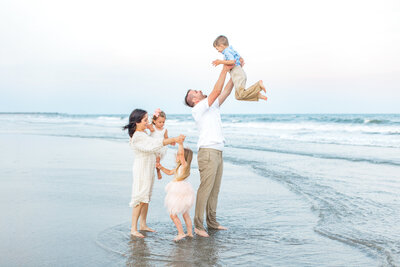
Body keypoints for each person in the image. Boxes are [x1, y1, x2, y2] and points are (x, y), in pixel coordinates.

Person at [183, 64, 234, 237]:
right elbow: (217, 89)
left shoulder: (211, 106)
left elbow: (225, 91)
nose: (199, 90)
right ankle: (198, 225)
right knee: (206, 188)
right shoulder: (199, 108)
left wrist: (235, 71)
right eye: (196, 91)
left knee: (215, 189)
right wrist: (225, 69)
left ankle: (212, 222)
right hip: (208, 152)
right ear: (194, 100)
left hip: (218, 151)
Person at [123, 109, 185, 238]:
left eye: (147, 120)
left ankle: (143, 224)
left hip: (148, 166)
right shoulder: (138, 136)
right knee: (140, 197)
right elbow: (154, 144)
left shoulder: (143, 133)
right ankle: (133, 228)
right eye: (145, 120)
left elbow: (155, 141)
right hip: (142, 168)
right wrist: (173, 139)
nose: (147, 122)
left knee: (146, 197)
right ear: (137, 122)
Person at [156, 142, 195, 242]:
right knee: (185, 214)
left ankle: (181, 233)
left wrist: (180, 143)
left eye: (178, 154)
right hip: (183, 191)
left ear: (183, 157)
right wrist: (161, 167)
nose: (176, 155)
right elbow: (169, 172)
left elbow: (181, 155)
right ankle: (190, 233)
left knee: (173, 214)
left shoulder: (184, 165)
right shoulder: (179, 167)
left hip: (179, 191)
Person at [212, 35, 267, 102]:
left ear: (221, 46)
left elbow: (232, 61)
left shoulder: (226, 52)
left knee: (241, 94)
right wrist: (240, 59)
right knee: (238, 96)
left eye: (217, 49)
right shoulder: (231, 50)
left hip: (237, 73)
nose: (218, 51)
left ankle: (258, 85)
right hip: (238, 73)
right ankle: (257, 95)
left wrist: (220, 61)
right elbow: (240, 58)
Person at [149, 108, 170, 180]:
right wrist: (150, 127)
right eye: (160, 122)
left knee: (157, 160)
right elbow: (145, 125)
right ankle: (153, 172)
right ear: (154, 121)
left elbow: (166, 138)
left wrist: (171, 141)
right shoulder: (152, 127)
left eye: (163, 122)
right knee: (151, 161)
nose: (162, 124)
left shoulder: (165, 130)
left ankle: (158, 171)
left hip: (160, 148)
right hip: (152, 146)